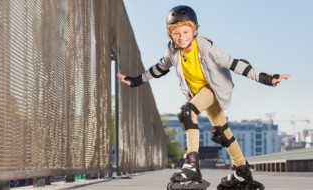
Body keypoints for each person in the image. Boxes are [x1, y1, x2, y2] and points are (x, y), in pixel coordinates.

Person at [117, 5, 290, 189]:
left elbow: (235, 64)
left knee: (186, 112)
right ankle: (242, 173)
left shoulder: (207, 47)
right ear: (170, 34)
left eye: (185, 31)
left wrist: (267, 78)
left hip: (214, 88)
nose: (181, 37)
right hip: (200, 93)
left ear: (194, 30)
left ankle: (191, 164)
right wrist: (136, 80)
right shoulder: (173, 50)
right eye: (176, 33)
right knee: (222, 132)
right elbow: (159, 68)